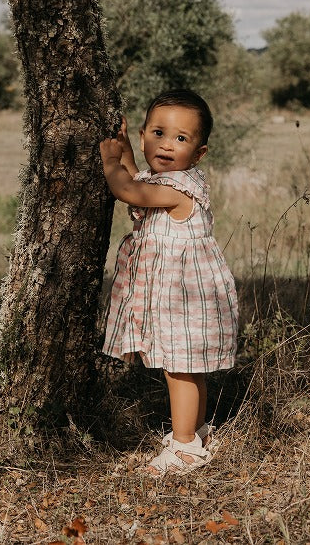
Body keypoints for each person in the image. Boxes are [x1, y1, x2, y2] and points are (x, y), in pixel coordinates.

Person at [100, 88, 238, 476]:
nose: (166, 145)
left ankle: (184, 450)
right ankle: (196, 431)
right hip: (179, 292)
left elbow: (126, 188)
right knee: (188, 367)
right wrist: (125, 147)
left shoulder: (180, 188)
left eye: (180, 138)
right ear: (144, 135)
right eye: (157, 133)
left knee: (180, 368)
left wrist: (111, 162)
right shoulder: (163, 178)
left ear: (199, 153)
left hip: (184, 295)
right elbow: (136, 175)